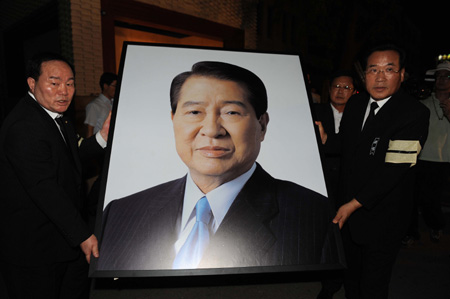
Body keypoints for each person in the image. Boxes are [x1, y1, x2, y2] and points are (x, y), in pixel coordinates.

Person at [96, 61, 340, 271]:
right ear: (173, 120)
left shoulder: (316, 218)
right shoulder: (120, 213)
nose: (212, 129)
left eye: (232, 112)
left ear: (262, 125)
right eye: (194, 112)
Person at [322, 44, 429, 298]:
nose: (380, 77)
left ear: (402, 74)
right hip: (346, 214)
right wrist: (326, 139)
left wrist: (353, 204)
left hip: (383, 217)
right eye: (373, 69)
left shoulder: (414, 113)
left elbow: (394, 172)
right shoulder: (356, 103)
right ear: (364, 75)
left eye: (389, 69)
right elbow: (347, 146)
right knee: (351, 279)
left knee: (373, 286)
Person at [0, 52, 110, 298]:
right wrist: (82, 234)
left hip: (62, 237)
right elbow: (44, 188)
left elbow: (72, 155)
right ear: (32, 83)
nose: (64, 91)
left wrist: (102, 136)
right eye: (54, 82)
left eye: (70, 84)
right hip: (34, 247)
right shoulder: (24, 126)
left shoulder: (58, 117)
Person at [314, 70, 356, 299]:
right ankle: (329, 283)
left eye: (346, 87)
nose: (340, 91)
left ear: (354, 91)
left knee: (347, 234)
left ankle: (344, 279)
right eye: (336, 87)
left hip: (350, 181)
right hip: (322, 179)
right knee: (327, 232)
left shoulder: (360, 114)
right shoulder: (315, 113)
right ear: (329, 90)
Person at [403, 61, 450, 245]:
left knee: (432, 198)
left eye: (446, 76)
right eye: (439, 76)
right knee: (412, 197)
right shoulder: (424, 102)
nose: (441, 79)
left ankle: (435, 225)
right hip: (420, 156)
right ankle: (411, 232)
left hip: (443, 159)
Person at [84, 72, 117, 138]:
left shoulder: (114, 103)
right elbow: (90, 130)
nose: (116, 89)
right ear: (105, 86)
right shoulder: (94, 106)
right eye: (115, 86)